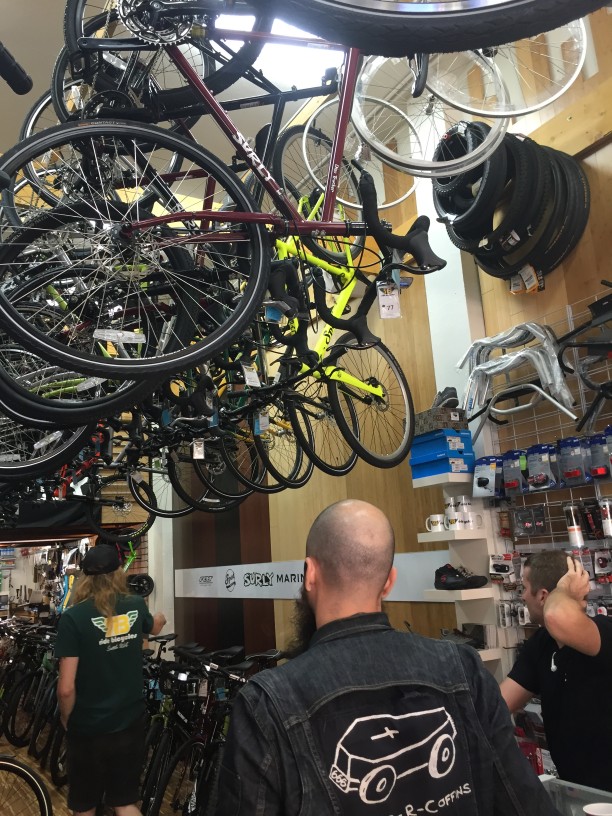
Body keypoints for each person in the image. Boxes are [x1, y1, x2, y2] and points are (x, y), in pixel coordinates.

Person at [215, 499, 561, 815]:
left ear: (310, 574)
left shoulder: (268, 703)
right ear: (388, 582)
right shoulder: (464, 670)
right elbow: (524, 803)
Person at [56, 544, 167, 816]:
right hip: (129, 722)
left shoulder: (73, 618)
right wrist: (160, 619)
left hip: (88, 727)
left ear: (84, 578)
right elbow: (153, 626)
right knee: (124, 802)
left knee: (84, 806)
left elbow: (66, 688)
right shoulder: (135, 605)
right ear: (118, 573)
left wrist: (67, 719)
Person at [500, 550, 612, 792]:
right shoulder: (541, 644)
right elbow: (498, 703)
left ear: (542, 596)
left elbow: (556, 614)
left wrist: (565, 591)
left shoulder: (604, 632)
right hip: (578, 791)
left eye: (524, 587)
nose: (521, 597)